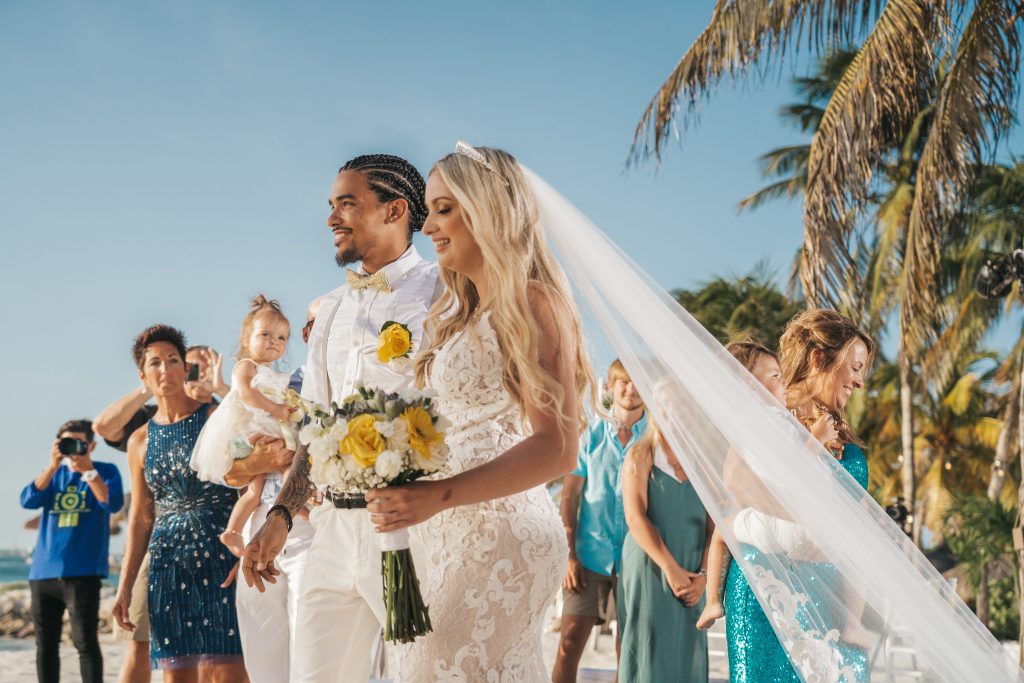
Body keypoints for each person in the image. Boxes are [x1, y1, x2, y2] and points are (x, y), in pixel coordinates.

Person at [360, 143, 598, 681]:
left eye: (444, 209)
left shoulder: (535, 301)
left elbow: (558, 448)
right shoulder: (463, 316)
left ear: (490, 210)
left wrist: (432, 496)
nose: (429, 228)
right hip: (448, 528)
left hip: (499, 534)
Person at [240, 153, 438, 682]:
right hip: (328, 533)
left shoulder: (442, 294)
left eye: (347, 204)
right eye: (331, 205)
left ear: (395, 210)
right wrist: (279, 518)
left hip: (411, 532)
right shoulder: (328, 309)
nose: (331, 219)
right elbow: (315, 429)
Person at [724, 310, 874, 683]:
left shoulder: (844, 435)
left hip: (835, 599)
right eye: (854, 367)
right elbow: (736, 479)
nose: (858, 381)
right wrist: (816, 526)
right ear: (819, 359)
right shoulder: (767, 413)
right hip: (771, 585)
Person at [112, 325, 246, 680]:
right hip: (168, 564)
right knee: (176, 675)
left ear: (185, 370)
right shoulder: (139, 440)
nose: (165, 369)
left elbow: (249, 485)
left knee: (228, 672)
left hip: (221, 558)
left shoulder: (214, 417)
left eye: (173, 360)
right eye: (155, 362)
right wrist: (125, 587)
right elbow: (141, 518)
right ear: (143, 375)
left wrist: (246, 548)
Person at [697, 340, 838, 631]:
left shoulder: (763, 422)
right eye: (774, 376)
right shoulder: (765, 421)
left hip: (785, 527)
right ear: (748, 387)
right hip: (798, 526)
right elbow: (793, 471)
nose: (784, 381)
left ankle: (712, 601)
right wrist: (816, 439)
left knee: (724, 531)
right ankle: (711, 600)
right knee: (725, 528)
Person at [231, 295, 320, 683]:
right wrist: (268, 459)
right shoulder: (283, 385)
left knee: (310, 639)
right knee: (261, 638)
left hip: (309, 527)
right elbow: (230, 472)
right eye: (317, 324)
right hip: (258, 519)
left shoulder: (358, 382)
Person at [552, 359, 646, 683]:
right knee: (569, 642)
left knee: (629, 647)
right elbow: (569, 498)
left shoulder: (655, 438)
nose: (630, 389)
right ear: (608, 386)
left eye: (636, 382)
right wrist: (569, 557)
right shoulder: (590, 434)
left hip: (637, 558)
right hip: (589, 557)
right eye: (622, 381)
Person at [190, 295, 303, 557]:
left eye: (282, 337)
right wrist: (276, 409)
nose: (274, 341)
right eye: (265, 334)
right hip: (251, 431)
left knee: (255, 490)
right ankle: (299, 506)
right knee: (287, 463)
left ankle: (233, 531)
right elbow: (242, 393)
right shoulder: (246, 365)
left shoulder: (275, 375)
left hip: (263, 426)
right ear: (246, 340)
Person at [21, 419, 124, 683]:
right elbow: (28, 499)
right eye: (66, 443)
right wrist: (53, 465)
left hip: (83, 573)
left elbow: (112, 504)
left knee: (85, 643)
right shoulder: (52, 475)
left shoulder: (105, 470)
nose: (73, 448)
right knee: (45, 647)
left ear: (91, 445)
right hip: (42, 574)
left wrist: (88, 472)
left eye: (79, 443)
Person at [618, 416, 713, 682]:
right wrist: (671, 570)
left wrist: (704, 575)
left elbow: (715, 529)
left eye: (680, 406)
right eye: (665, 405)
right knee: (649, 652)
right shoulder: (641, 455)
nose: (674, 413)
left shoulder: (702, 462)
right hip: (651, 567)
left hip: (694, 572)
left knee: (687, 654)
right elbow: (635, 517)